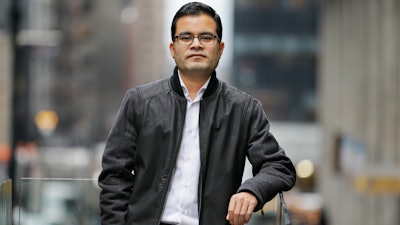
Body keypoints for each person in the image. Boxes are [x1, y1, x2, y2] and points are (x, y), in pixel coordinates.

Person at [98, 2, 296, 225]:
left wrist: (251, 191)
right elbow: (114, 177)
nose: (196, 45)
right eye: (185, 37)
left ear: (220, 49)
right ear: (173, 49)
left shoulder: (244, 109)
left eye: (206, 37)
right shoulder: (139, 102)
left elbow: (279, 166)